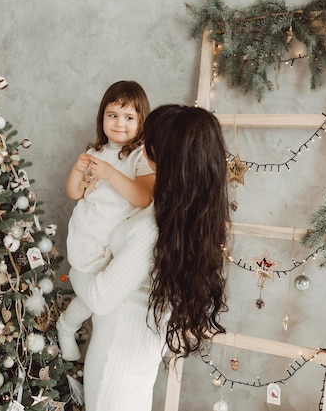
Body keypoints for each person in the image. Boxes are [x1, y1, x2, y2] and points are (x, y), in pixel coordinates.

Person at [69, 104, 230, 411]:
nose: (142, 147)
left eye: (150, 142)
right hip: (138, 353)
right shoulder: (186, 214)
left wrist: (76, 268)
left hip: (116, 359)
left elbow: (101, 298)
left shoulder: (152, 227)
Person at [57, 80, 155, 361]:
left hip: (115, 243)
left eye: (129, 117)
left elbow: (143, 197)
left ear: (141, 121)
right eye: (112, 115)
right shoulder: (94, 152)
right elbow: (75, 192)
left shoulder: (141, 155)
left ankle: (67, 325)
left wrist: (112, 174)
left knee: (102, 294)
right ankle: (68, 325)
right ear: (102, 118)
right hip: (88, 232)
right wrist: (78, 169)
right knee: (94, 289)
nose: (119, 124)